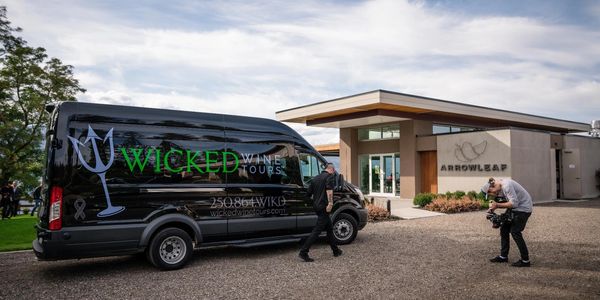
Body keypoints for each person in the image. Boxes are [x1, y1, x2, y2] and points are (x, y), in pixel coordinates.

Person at [482, 177, 533, 267]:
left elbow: (514, 203)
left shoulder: (507, 186)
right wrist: (492, 212)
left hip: (523, 209)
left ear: (492, 187)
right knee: (504, 228)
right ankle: (503, 257)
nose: (493, 195)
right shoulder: (500, 187)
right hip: (516, 208)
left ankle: (525, 261)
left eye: (491, 192)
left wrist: (497, 205)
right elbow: (507, 202)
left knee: (515, 232)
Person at [298, 163, 342, 262]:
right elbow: (329, 191)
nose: (334, 172)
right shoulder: (329, 177)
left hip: (317, 207)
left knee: (329, 228)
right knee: (317, 230)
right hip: (325, 207)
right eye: (334, 171)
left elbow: (308, 194)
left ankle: (336, 250)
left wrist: (314, 202)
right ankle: (303, 252)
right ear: (332, 169)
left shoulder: (315, 178)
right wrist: (330, 204)